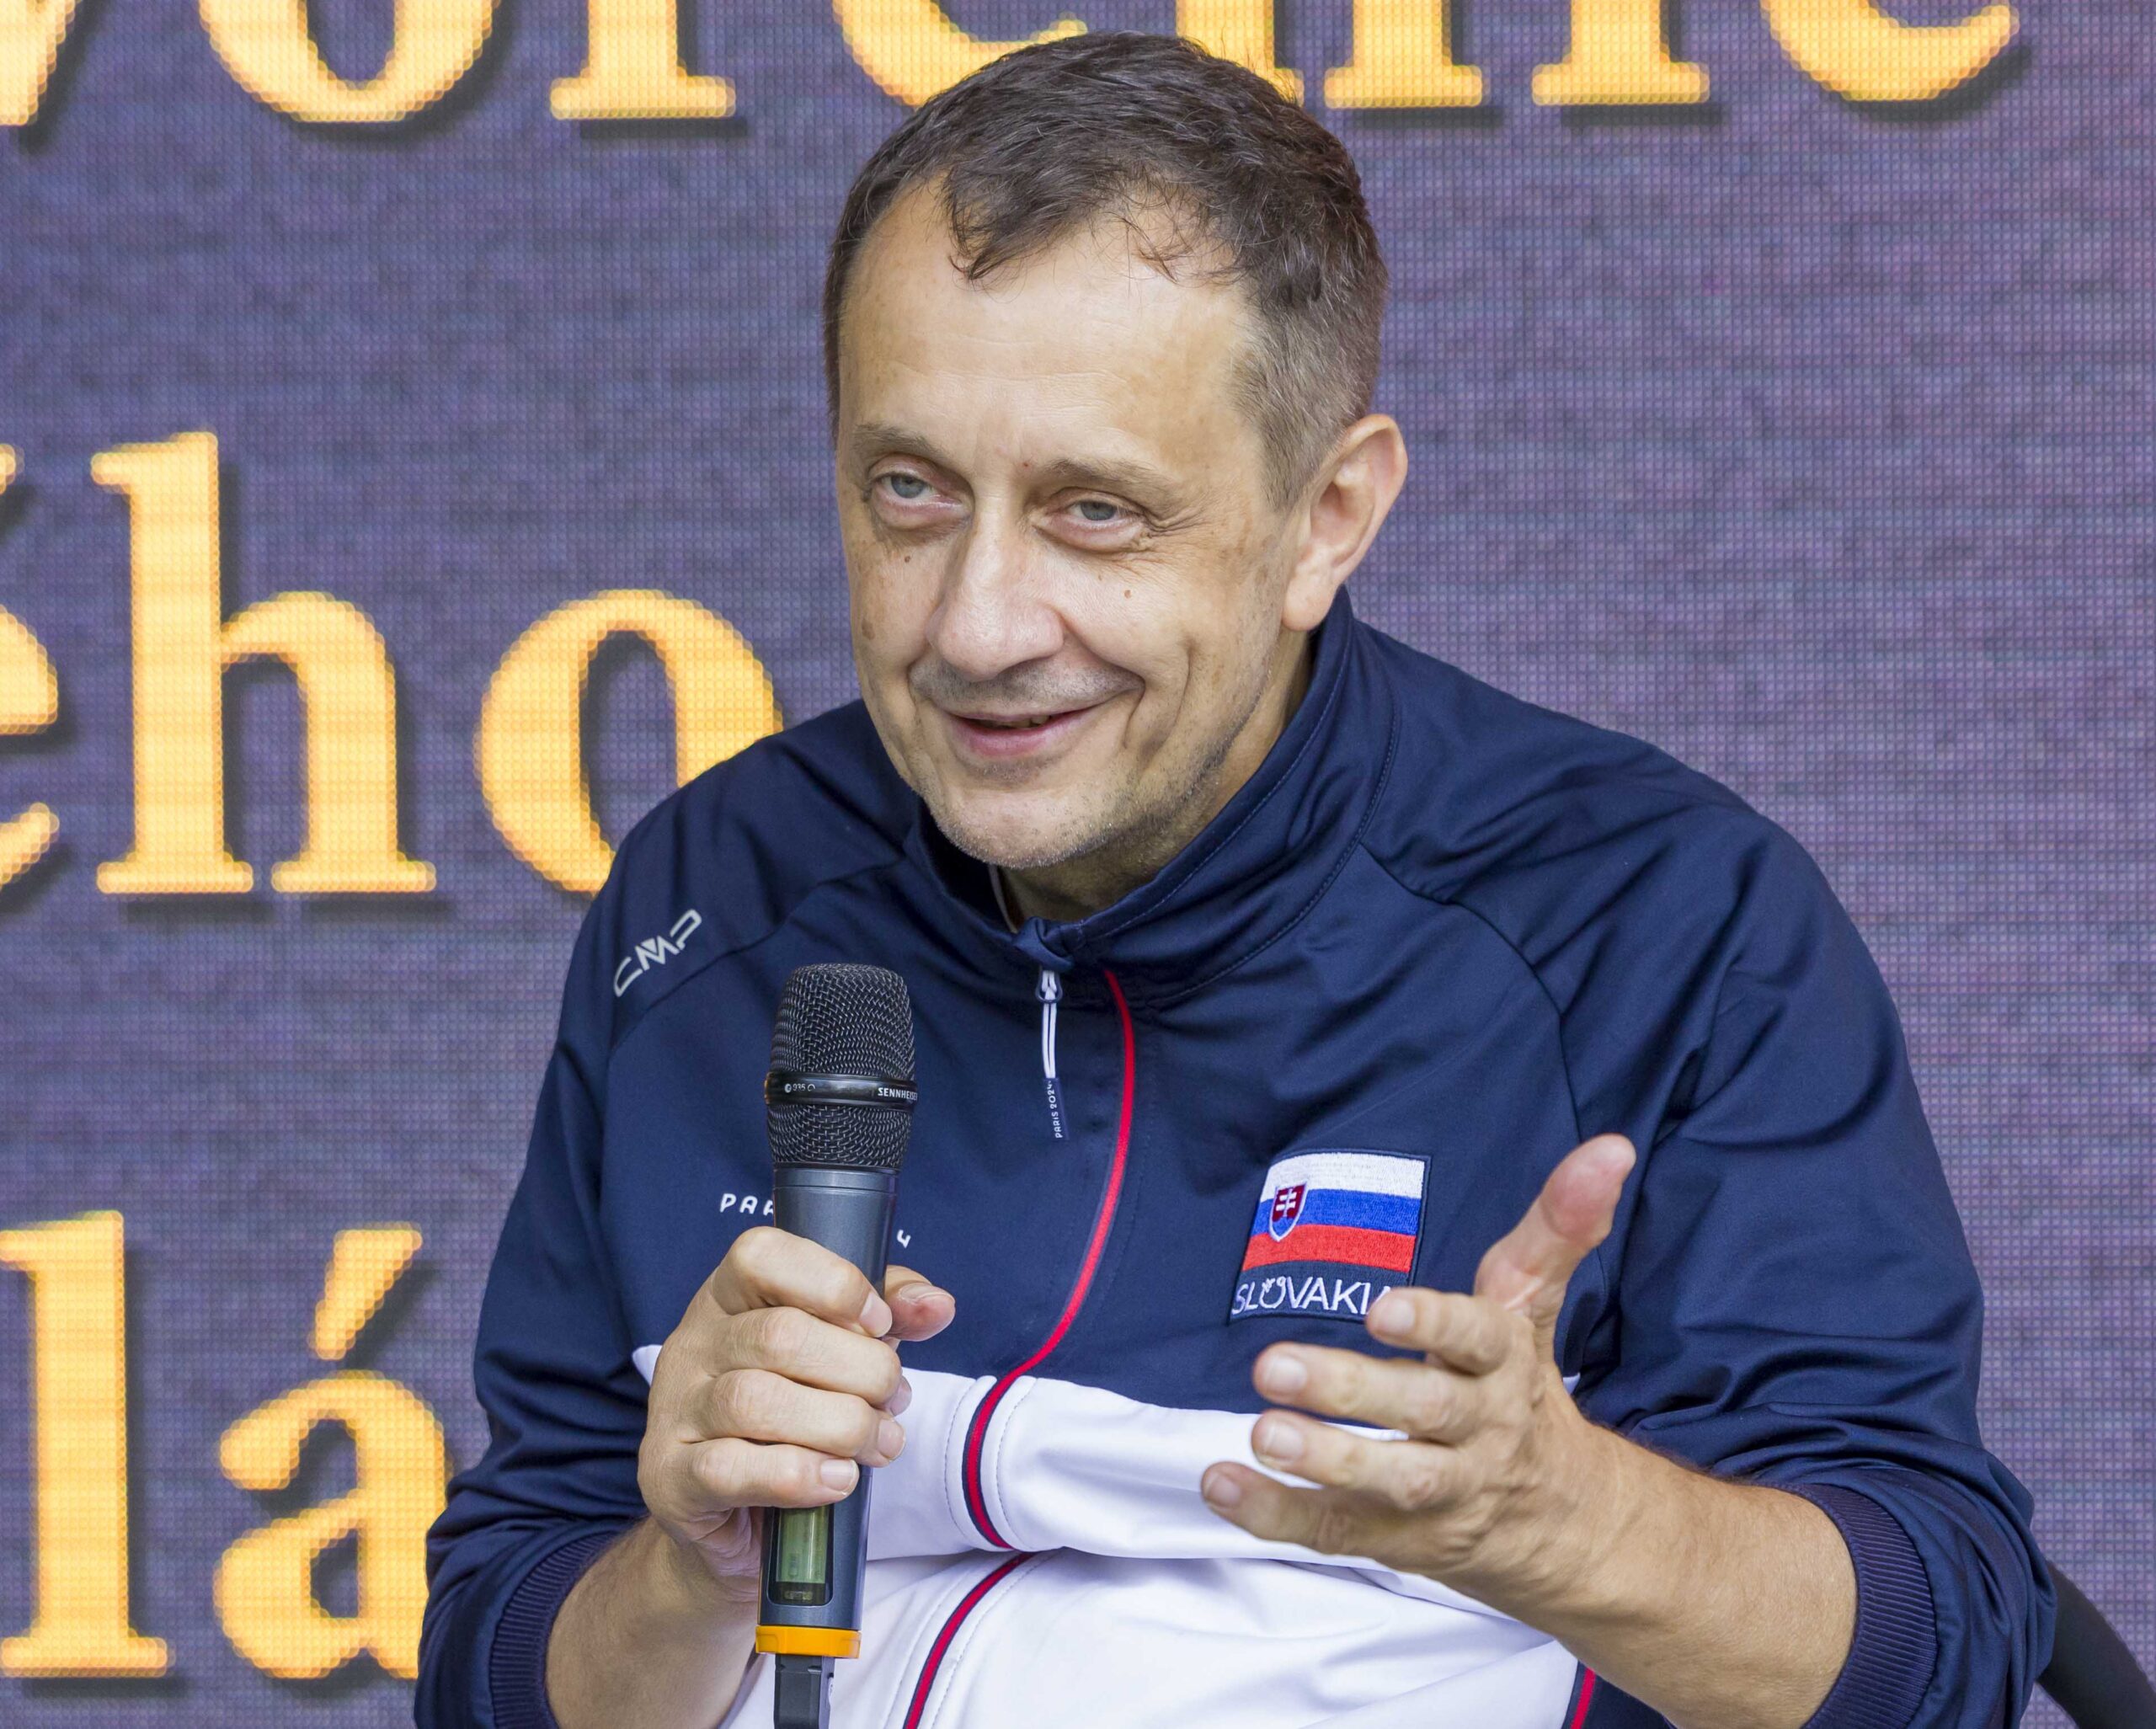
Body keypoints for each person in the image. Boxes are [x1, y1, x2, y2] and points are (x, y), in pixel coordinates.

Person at [418, 31, 2052, 1729]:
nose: (976, 623)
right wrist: (686, 1569)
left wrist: (1571, 1528)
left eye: (1094, 512)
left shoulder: (1653, 923)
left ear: (1327, 516)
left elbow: (1940, 1655)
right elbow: (493, 1659)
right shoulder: (712, 900)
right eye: (910, 491)